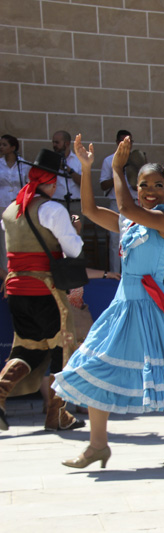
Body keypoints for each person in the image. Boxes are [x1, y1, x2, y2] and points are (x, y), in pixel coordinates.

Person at [53, 134, 164, 469]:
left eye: (157, 185)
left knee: (163, 380)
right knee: (95, 367)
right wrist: (89, 168)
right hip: (124, 305)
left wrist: (118, 168)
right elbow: (90, 210)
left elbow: (124, 207)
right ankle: (97, 446)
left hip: (153, 307)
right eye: (142, 185)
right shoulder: (131, 220)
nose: (150, 191)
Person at [0, 149, 85, 433]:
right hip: (45, 289)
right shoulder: (52, 209)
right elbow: (73, 249)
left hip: (16, 288)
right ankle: (56, 414)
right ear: (50, 182)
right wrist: (74, 229)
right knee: (64, 349)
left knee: (28, 347)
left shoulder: (11, 210)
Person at [99, 129, 137, 273]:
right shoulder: (109, 161)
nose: (126, 144)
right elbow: (103, 184)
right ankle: (115, 273)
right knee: (116, 240)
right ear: (117, 142)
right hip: (116, 203)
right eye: (123, 141)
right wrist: (118, 170)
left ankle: (132, 272)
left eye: (129, 141)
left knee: (135, 239)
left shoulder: (137, 160)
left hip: (134, 203)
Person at [0, 134, 30, 270]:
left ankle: (19, 268)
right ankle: (6, 270)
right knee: (3, 239)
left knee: (19, 237)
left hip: (18, 205)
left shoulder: (23, 164)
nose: (1, 147)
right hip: (2, 204)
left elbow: (29, 186)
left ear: (13, 147)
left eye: (4, 145)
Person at [51, 130, 82, 215]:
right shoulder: (50, 160)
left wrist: (68, 169)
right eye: (53, 142)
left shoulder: (78, 160)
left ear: (67, 143)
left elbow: (84, 182)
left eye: (57, 142)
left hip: (75, 204)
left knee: (76, 228)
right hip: (56, 204)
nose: (54, 145)